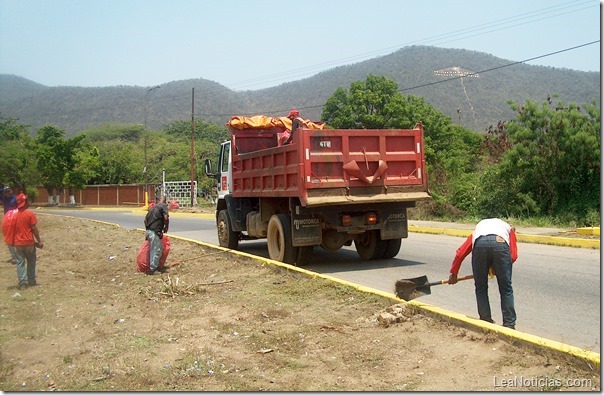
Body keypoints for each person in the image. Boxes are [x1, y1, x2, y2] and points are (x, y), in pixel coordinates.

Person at [447, 218, 518, 329]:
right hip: (500, 245)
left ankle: (485, 320)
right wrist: (497, 268)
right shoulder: (509, 229)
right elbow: (513, 256)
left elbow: (460, 253)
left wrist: (454, 273)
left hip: (480, 245)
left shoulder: (479, 230)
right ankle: (509, 324)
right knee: (506, 288)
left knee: (481, 287)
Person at [2, 193, 43, 289]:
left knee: (20, 263)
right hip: (29, 243)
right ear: (24, 203)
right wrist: (39, 241)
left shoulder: (13, 215)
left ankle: (23, 282)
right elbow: (34, 228)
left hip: (18, 244)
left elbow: (9, 228)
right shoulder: (30, 214)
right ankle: (31, 280)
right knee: (31, 261)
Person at [144, 195, 169, 274]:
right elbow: (166, 218)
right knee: (156, 250)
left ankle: (153, 265)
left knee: (155, 249)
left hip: (149, 231)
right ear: (164, 201)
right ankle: (153, 269)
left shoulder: (152, 208)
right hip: (154, 232)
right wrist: (166, 227)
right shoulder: (163, 206)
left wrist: (148, 229)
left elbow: (145, 220)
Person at [1, 186, 18, 264]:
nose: (7, 193)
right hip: (7, 221)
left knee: (16, 238)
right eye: (5, 192)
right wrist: (2, 189)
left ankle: (19, 256)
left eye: (8, 191)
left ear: (11, 191)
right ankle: (14, 256)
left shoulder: (15, 198)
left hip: (15, 220)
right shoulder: (3, 198)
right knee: (8, 239)